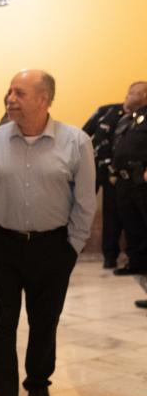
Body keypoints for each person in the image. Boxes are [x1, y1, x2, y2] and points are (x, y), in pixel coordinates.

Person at [0, 70, 96, 396]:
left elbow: (85, 202)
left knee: (45, 322)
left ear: (44, 99)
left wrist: (71, 248)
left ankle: (38, 385)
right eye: (9, 91)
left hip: (52, 247)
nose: (10, 98)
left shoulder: (76, 142)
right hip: (1, 247)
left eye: (19, 93)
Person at [82, 82, 147, 270]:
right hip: (100, 171)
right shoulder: (108, 111)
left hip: (127, 177)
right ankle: (132, 262)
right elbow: (84, 133)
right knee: (125, 219)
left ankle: (122, 259)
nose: (128, 95)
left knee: (118, 218)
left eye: (134, 92)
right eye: (128, 91)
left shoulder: (139, 117)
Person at [105, 82, 147, 307]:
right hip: (125, 182)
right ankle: (140, 270)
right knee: (135, 232)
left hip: (142, 181)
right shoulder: (129, 119)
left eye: (132, 92)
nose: (127, 96)